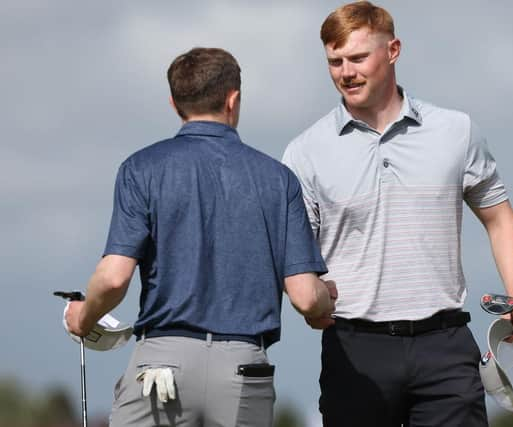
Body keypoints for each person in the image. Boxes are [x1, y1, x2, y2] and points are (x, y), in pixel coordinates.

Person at [282, 2, 513, 426]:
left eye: (358, 57)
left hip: (446, 345)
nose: (346, 72)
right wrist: (307, 301)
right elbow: (291, 253)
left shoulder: (456, 131)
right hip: (354, 347)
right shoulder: (304, 152)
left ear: (393, 50)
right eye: (335, 61)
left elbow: (501, 219)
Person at [64, 47, 336, 427]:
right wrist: (326, 301)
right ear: (233, 99)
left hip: (160, 365)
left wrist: (83, 316)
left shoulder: (140, 169)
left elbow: (112, 278)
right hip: (244, 368)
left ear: (175, 103)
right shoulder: (278, 179)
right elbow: (306, 297)